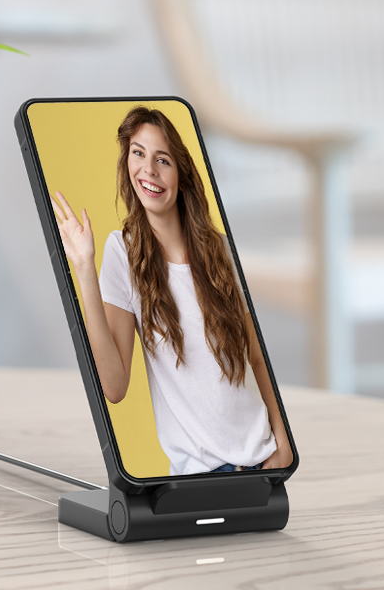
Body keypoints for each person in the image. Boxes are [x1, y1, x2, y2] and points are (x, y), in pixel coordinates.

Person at [50, 106, 294, 476]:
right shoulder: (123, 253)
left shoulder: (221, 251)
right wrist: (84, 270)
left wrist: (284, 441)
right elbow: (114, 386)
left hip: (263, 463)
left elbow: (255, 358)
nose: (148, 169)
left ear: (181, 174)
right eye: (138, 153)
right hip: (202, 477)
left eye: (162, 159)